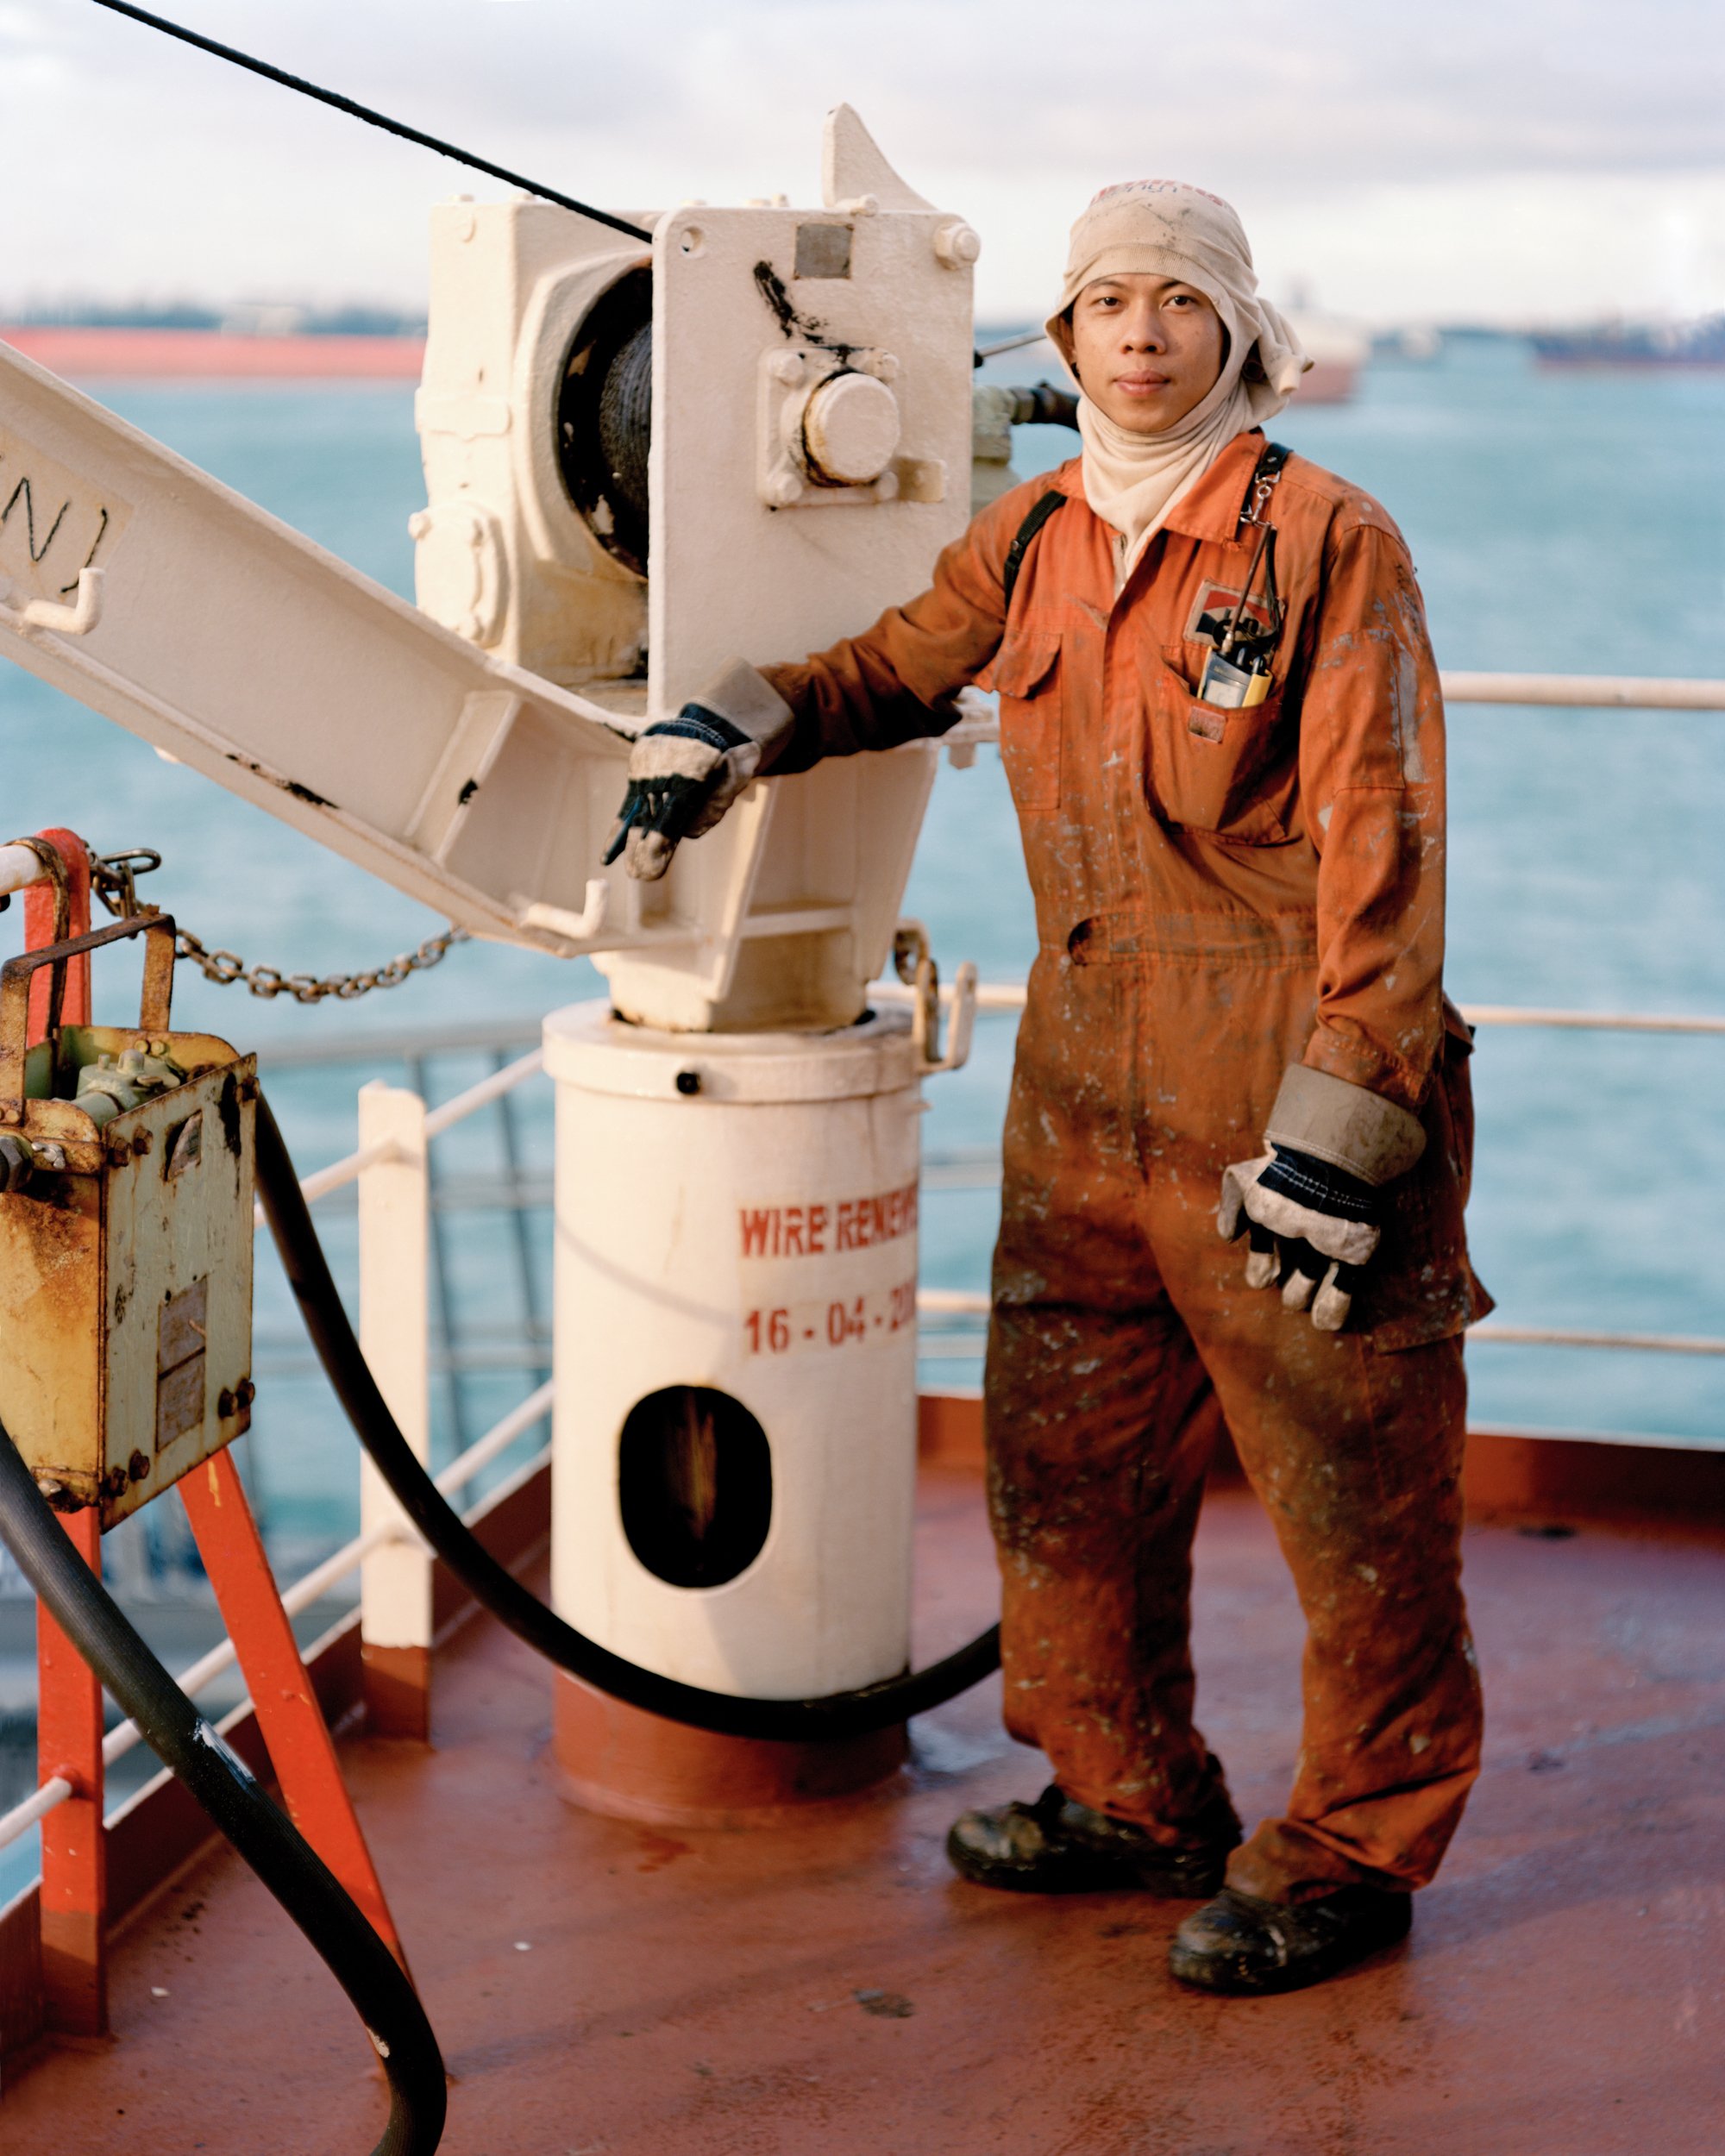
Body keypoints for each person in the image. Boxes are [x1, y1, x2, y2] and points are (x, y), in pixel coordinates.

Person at [605, 179, 1490, 1997]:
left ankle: (1350, 1846)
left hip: (1278, 1079)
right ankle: (1128, 1790)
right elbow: (886, 672)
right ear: (1066, 335)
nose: (1141, 333)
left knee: (1348, 1490)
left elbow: (1384, 857)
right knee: (1064, 1463)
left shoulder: (1325, 537)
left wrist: (1347, 1129)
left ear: (1235, 330)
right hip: (1080, 1078)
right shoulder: (1035, 538)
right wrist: (734, 718)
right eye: (1105, 302)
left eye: (1177, 300)